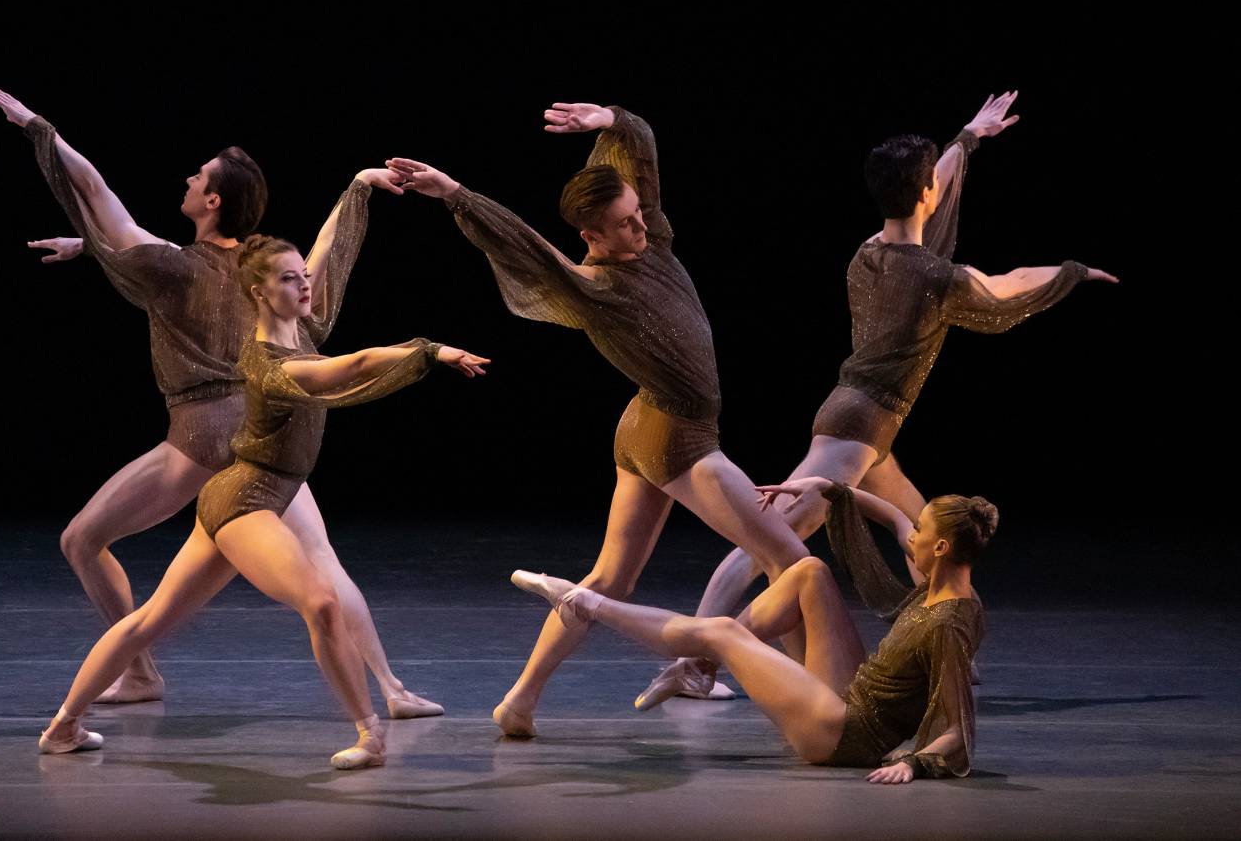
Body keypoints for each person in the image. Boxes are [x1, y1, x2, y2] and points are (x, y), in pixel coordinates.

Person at [637, 93, 1116, 707]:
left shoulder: (868, 252)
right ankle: (692, 661)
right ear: (923, 196)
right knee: (765, 541)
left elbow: (926, 202)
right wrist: (1072, 273)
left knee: (924, 531)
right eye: (930, 186)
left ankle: (946, 649)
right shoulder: (937, 279)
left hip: (866, 426)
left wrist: (968, 138)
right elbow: (1005, 286)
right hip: (857, 426)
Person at [0, 88, 442, 718]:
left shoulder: (176, 267)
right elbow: (323, 257)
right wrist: (358, 188)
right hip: (272, 428)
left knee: (82, 539)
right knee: (322, 560)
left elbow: (94, 191)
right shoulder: (265, 274)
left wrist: (38, 128)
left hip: (203, 434)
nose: (189, 179)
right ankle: (392, 690)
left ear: (213, 201)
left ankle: (139, 671)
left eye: (197, 177)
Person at [387, 102, 814, 737]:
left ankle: (520, 700)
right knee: (793, 564)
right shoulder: (596, 289)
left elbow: (643, 148)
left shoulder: (657, 240)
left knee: (609, 578)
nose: (640, 227)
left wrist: (611, 121)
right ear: (592, 236)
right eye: (625, 224)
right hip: (678, 439)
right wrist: (455, 194)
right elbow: (525, 247)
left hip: (645, 427)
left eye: (639, 215)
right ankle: (815, 691)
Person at [37, 235, 490, 768]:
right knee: (319, 602)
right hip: (246, 501)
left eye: (303, 276)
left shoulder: (300, 337)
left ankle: (62, 726)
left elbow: (328, 256)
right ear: (257, 293)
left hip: (245, 497)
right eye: (287, 279)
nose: (303, 285)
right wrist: (432, 351)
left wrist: (360, 187)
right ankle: (369, 736)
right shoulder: (270, 365)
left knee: (150, 620)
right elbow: (361, 363)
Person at [512, 480, 996, 783]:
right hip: (854, 695)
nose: (910, 535)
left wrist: (912, 763)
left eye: (921, 532)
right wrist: (824, 486)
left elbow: (958, 726)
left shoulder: (950, 622)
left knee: (722, 630)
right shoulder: (939, 577)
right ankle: (698, 668)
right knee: (809, 572)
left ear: (941, 548)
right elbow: (892, 516)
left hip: (843, 735)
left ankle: (587, 603)